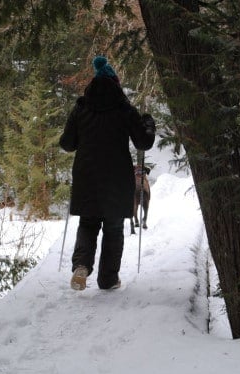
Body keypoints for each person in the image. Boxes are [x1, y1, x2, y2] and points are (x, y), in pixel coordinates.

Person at [60, 56, 155, 290]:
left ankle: (81, 266)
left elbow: (67, 144)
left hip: (87, 176)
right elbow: (143, 143)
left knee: (88, 223)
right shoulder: (124, 109)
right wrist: (148, 125)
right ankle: (108, 279)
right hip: (117, 178)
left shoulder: (81, 108)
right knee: (113, 228)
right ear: (116, 83)